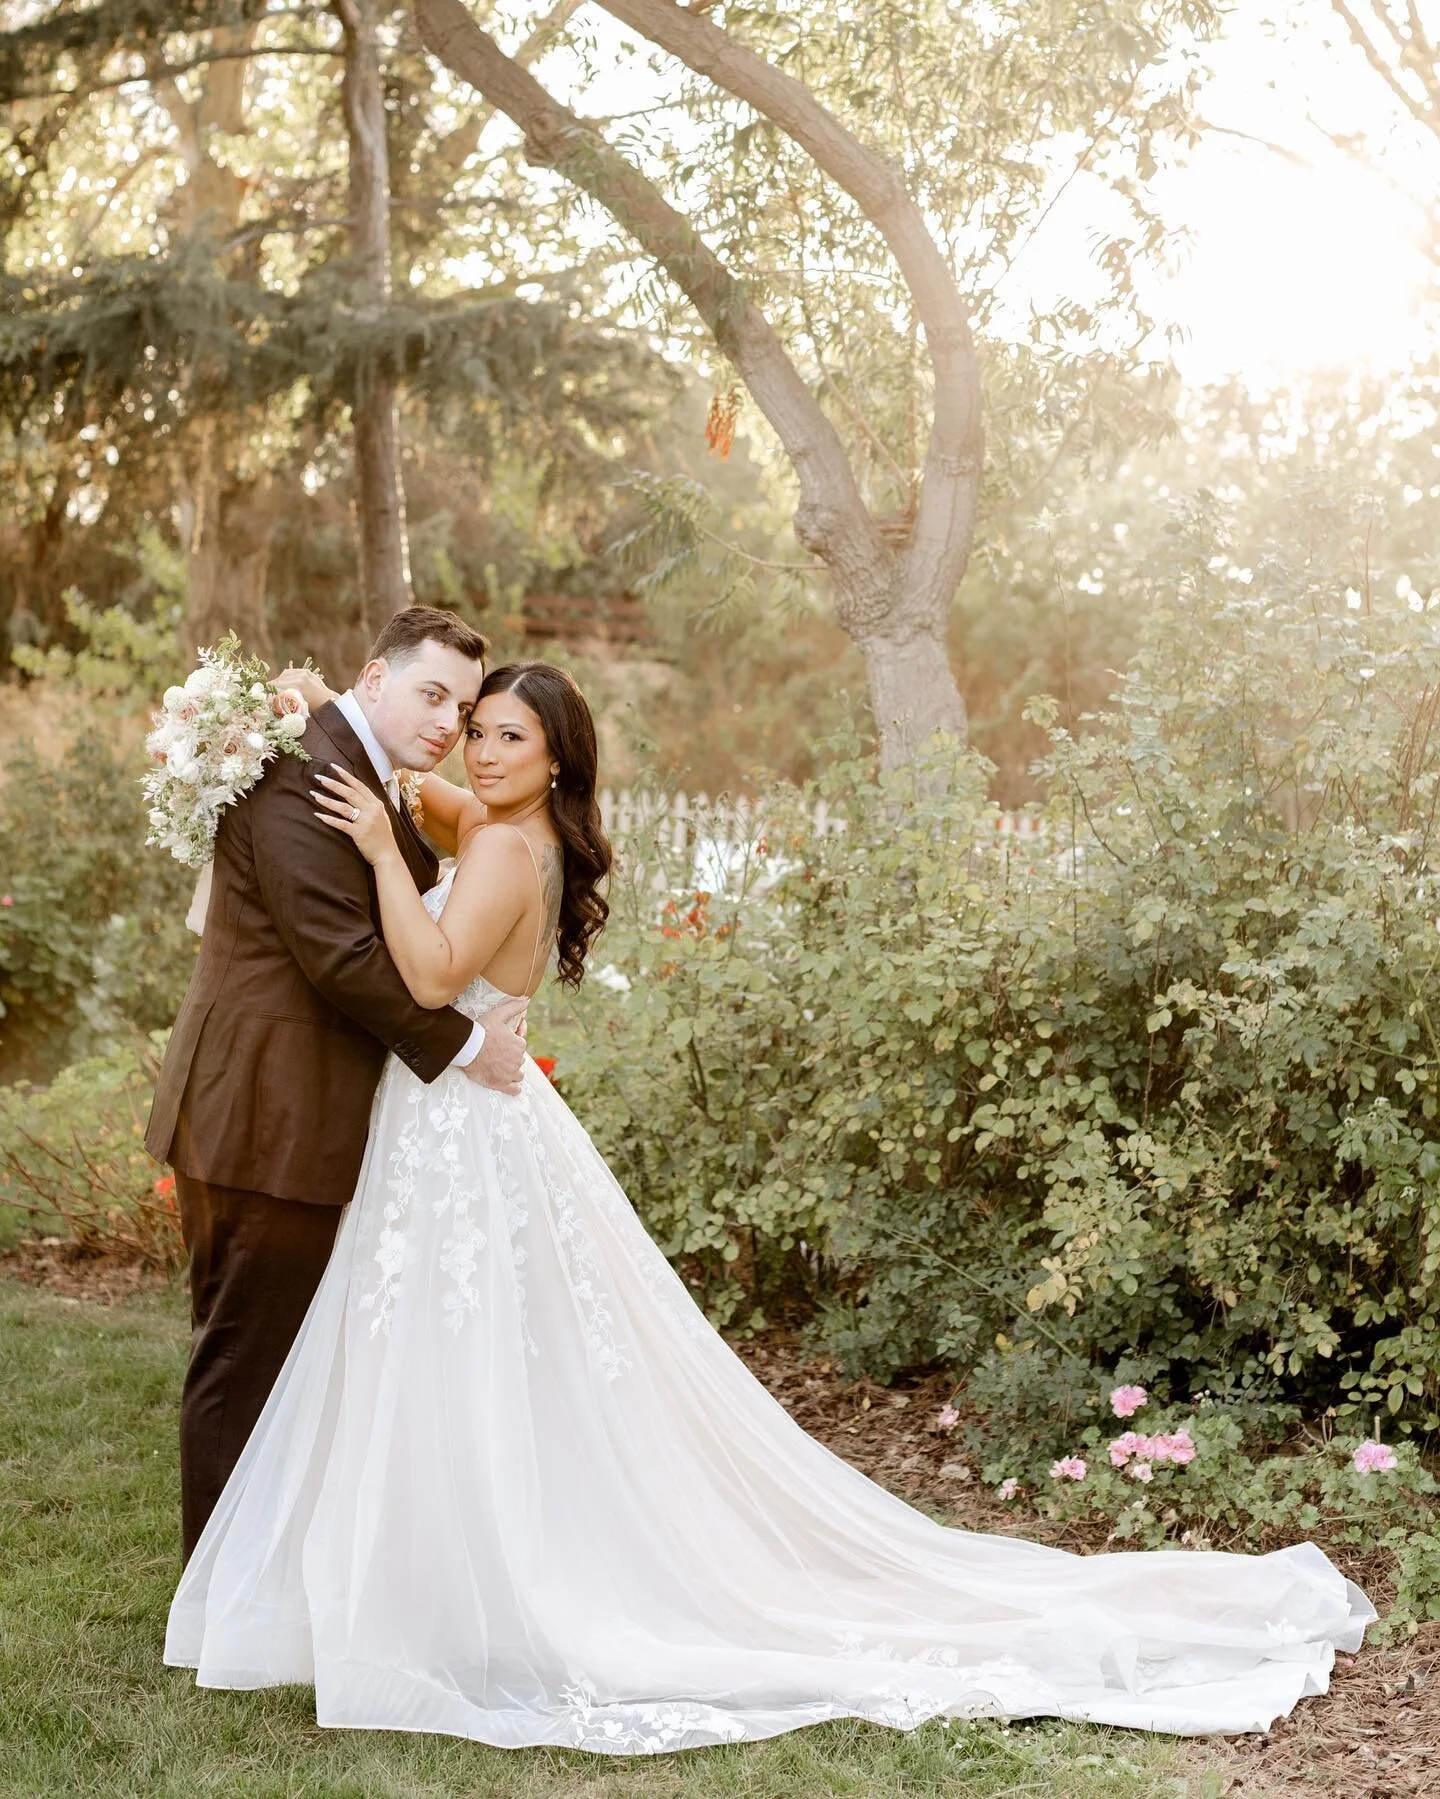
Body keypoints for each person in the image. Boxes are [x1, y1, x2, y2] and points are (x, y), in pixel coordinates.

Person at [165, 659, 1374, 1750]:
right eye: (473, 727)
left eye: (509, 738)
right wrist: (313, 715)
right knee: (464, 1360)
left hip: (459, 1127)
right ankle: (422, 1574)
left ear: (557, 762)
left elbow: (431, 974)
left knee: (444, 1353)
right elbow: (412, 782)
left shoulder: (491, 850)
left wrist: (383, 852)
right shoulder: (493, 822)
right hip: (465, 1120)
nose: (478, 752)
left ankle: (449, 1589)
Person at [146, 607, 529, 1561]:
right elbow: (340, 958)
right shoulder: (304, 777)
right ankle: (216, 1589)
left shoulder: (359, 765)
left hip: (284, 1109)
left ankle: (251, 1575)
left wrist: (318, 700)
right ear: (374, 678)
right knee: (243, 1357)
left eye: (466, 707)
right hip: (263, 1109)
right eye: (431, 694)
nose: (448, 722)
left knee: (269, 1352)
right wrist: (464, 1043)